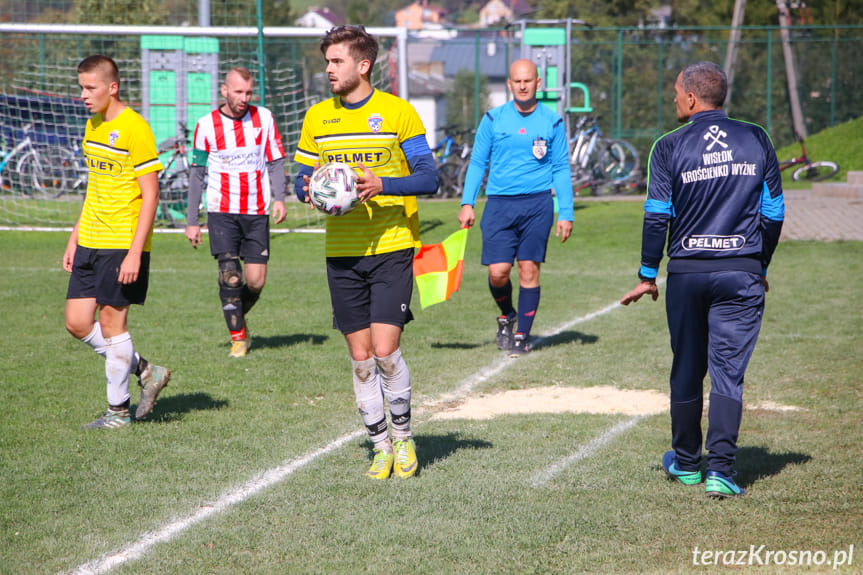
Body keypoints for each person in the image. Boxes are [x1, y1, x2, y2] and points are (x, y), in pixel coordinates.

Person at [620, 61, 785, 498]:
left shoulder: (668, 146)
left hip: (688, 275)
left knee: (688, 370)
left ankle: (689, 464)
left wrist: (647, 274)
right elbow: (774, 213)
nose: (673, 98)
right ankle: (722, 471)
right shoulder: (757, 138)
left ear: (691, 98)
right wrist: (758, 264)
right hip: (741, 272)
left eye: (676, 92)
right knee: (728, 374)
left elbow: (657, 217)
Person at [293, 26, 438, 480]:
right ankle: (379, 447)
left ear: (363, 65)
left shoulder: (398, 114)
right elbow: (300, 182)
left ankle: (403, 438)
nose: (329, 70)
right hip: (342, 251)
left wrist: (382, 184)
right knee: (360, 360)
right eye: (327, 62)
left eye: (336, 62)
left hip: (392, 246)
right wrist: (312, 190)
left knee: (385, 351)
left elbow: (429, 177)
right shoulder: (318, 118)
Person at [63, 54, 171, 429]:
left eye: (90, 88)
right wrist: (75, 236)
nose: (83, 95)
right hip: (90, 239)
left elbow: (151, 194)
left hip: (121, 243)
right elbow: (95, 186)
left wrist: (135, 254)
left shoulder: (135, 129)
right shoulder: (92, 126)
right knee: (77, 322)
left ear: (113, 87)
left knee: (112, 325)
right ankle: (145, 370)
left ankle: (117, 412)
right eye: (81, 87)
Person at [459, 59, 574, 358]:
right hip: (498, 205)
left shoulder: (552, 121)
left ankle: (522, 335)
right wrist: (467, 202)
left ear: (538, 83)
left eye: (528, 80)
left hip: (537, 204)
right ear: (509, 85)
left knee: (527, 269)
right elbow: (477, 163)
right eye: (517, 81)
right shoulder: (493, 119)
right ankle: (507, 314)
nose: (523, 86)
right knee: (498, 272)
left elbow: (561, 167)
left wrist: (566, 212)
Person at [185, 66, 287, 358]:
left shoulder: (263, 117)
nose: (243, 98)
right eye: (238, 92)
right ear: (224, 90)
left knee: (255, 281)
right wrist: (192, 222)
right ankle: (238, 338)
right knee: (230, 275)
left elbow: (276, 160)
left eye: (248, 92)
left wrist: (279, 198)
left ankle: (236, 315)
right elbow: (197, 175)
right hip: (222, 212)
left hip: (256, 211)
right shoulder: (206, 125)